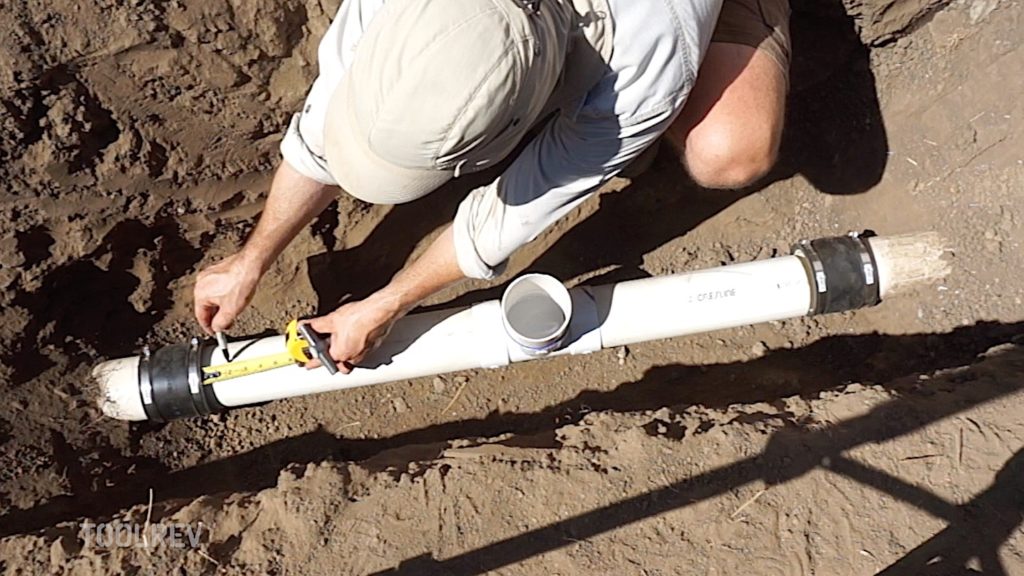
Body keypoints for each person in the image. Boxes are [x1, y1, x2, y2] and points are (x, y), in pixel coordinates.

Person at [194, 0, 790, 372]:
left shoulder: (652, 52)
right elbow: (328, 122)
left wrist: (389, 303)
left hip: (644, 29)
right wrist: (251, 259)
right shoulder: (408, 13)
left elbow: (510, 214)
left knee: (727, 152)